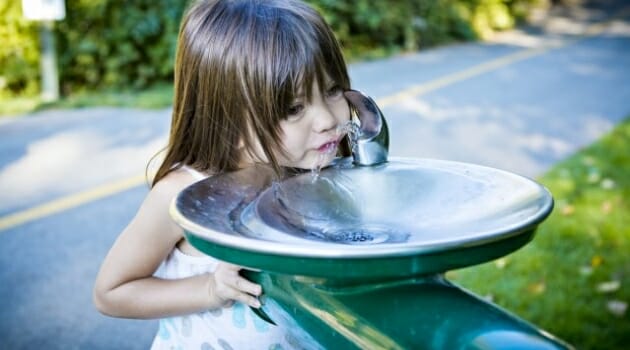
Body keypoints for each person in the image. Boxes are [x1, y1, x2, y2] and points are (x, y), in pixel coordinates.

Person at [93, 0, 353, 348]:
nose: (327, 120)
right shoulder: (184, 198)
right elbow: (112, 292)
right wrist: (210, 289)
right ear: (228, 118)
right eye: (293, 108)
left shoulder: (306, 172)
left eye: (333, 90)